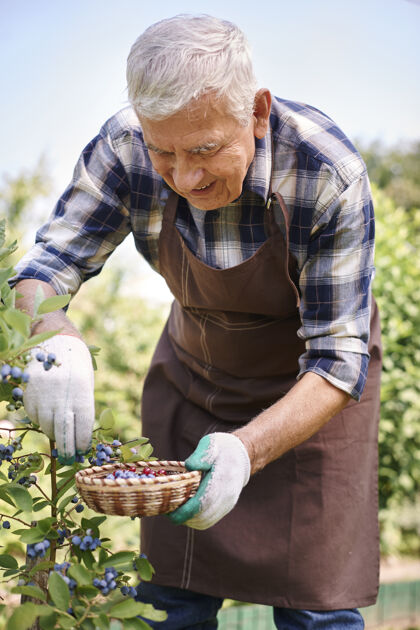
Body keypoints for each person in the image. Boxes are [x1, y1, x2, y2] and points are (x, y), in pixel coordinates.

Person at [12, 14, 382, 630]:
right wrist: (53, 339)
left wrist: (247, 450)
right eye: (165, 153)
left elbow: (337, 359)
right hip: (194, 390)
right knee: (170, 603)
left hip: (313, 403)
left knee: (318, 615)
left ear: (257, 112)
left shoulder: (325, 173)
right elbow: (46, 267)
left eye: (205, 150)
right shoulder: (124, 147)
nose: (184, 178)